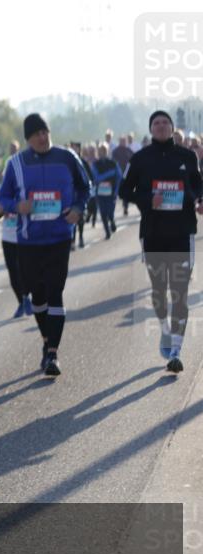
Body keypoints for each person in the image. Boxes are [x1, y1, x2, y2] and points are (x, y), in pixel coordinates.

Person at [0, 113, 90, 376]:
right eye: (36, 133)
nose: (42, 137)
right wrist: (18, 206)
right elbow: (2, 199)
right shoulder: (16, 163)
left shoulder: (67, 157)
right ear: (28, 138)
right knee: (37, 297)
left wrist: (78, 208)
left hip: (60, 238)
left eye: (45, 132)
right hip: (29, 241)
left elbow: (86, 187)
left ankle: (53, 354)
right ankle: (47, 339)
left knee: (55, 292)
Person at [119, 110, 203, 373]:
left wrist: (200, 201)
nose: (161, 125)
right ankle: (165, 330)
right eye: (156, 122)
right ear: (151, 129)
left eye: (166, 122)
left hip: (182, 232)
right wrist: (147, 200)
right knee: (158, 290)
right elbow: (124, 190)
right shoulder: (140, 158)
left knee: (179, 292)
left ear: (172, 127)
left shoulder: (187, 156)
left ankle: (176, 350)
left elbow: (198, 185)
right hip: (153, 233)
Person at [91, 143, 121, 237]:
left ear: (107, 151)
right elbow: (96, 178)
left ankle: (112, 220)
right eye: (100, 151)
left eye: (104, 151)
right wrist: (110, 173)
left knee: (110, 211)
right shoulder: (95, 164)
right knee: (103, 212)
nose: (102, 153)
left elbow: (119, 177)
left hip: (112, 192)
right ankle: (107, 232)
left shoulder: (113, 163)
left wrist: (116, 190)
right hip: (100, 193)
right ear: (98, 152)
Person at [112, 136, 135, 216]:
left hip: (127, 173)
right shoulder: (115, 151)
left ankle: (125, 207)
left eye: (124, 141)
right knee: (116, 191)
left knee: (126, 190)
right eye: (122, 141)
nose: (123, 142)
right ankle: (112, 208)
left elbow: (134, 159)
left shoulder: (129, 150)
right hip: (117, 174)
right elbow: (113, 162)